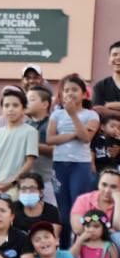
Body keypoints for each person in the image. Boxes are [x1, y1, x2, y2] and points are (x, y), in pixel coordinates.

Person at [48, 74, 99, 246]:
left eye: (75, 90)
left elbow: (85, 138)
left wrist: (73, 116)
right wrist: (72, 134)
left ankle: (79, 247)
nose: (70, 93)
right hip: (59, 164)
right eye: (66, 90)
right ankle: (63, 248)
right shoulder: (56, 115)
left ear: (84, 94)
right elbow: (50, 139)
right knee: (63, 210)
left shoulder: (91, 115)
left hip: (80, 165)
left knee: (78, 207)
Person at [0, 87, 38, 196]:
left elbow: (30, 162)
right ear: (2, 109)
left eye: (15, 105)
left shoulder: (30, 132)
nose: (10, 109)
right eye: (6, 105)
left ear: (23, 109)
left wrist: (12, 182)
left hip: (18, 187)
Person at [68, 169, 120, 246]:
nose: (107, 190)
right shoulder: (84, 199)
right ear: (98, 184)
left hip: (112, 245)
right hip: (86, 241)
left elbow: (118, 228)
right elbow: (77, 228)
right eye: (104, 185)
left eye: (113, 187)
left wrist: (118, 201)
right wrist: (106, 231)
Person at [25, 84, 57, 205]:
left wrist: (32, 146)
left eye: (31, 99)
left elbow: (57, 149)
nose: (26, 102)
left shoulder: (52, 124)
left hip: (47, 179)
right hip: (27, 181)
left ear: (45, 104)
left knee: (51, 211)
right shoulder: (25, 125)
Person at [12, 172, 62, 237]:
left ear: (40, 192)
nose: (28, 192)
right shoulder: (12, 208)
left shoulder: (51, 211)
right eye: (24, 189)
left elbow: (54, 238)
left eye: (32, 189)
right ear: (18, 191)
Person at [91, 40, 120, 119]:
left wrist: (109, 105)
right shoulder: (100, 86)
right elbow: (97, 110)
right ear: (109, 60)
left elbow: (103, 110)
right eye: (114, 54)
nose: (118, 57)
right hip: (107, 131)